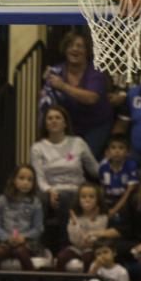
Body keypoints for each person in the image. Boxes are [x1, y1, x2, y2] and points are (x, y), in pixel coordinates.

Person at [31, 104, 99, 244]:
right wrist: (49, 190)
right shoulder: (38, 147)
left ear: (65, 123)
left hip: (76, 188)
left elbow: (95, 170)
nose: (53, 121)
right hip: (49, 189)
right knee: (40, 199)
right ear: (45, 124)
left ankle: (66, 245)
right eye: (49, 118)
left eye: (57, 118)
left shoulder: (78, 142)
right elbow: (39, 177)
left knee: (66, 196)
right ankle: (35, 246)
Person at [39, 31, 113, 156]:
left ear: (87, 51)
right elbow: (46, 100)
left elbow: (91, 98)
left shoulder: (95, 72)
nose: (74, 49)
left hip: (96, 125)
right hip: (70, 126)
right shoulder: (57, 71)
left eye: (80, 46)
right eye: (70, 45)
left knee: (83, 157)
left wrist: (63, 86)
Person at [0, 164, 45, 271]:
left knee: (20, 251)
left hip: (27, 243)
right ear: (14, 180)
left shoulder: (35, 202)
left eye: (30, 180)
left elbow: (38, 228)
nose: (26, 183)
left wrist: (23, 237)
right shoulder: (2, 200)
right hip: (6, 241)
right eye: (21, 178)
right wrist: (6, 238)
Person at [58, 183, 109, 271]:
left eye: (91, 197)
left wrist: (92, 221)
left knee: (87, 258)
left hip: (92, 248)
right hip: (76, 247)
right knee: (61, 257)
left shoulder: (102, 217)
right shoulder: (75, 216)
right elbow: (73, 239)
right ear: (79, 199)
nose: (87, 200)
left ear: (97, 200)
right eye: (83, 197)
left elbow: (98, 237)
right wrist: (75, 224)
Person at [98, 134, 140, 220]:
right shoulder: (103, 166)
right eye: (113, 148)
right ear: (107, 152)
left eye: (121, 148)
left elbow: (129, 191)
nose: (117, 151)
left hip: (126, 199)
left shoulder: (131, 166)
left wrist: (114, 210)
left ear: (128, 152)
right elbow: (102, 188)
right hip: (109, 199)